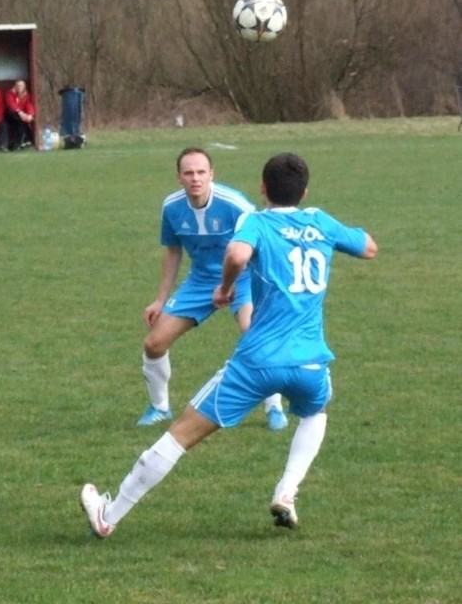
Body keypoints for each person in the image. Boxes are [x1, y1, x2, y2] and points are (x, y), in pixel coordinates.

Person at [80, 152, 378, 537]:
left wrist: (223, 288)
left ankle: (110, 515)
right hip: (310, 364)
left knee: (182, 433)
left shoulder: (256, 221)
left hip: (256, 363)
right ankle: (286, 492)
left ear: (262, 189)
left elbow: (237, 253)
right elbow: (369, 247)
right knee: (315, 414)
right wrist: (328, 230)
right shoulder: (319, 221)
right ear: (304, 191)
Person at [136, 148, 287, 431]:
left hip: (243, 278)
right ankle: (159, 407)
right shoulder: (171, 207)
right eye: (189, 173)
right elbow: (172, 252)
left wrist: (266, 287)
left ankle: (274, 406)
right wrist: (160, 300)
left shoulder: (235, 205)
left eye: (201, 172)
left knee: (255, 334)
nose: (195, 178)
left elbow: (262, 243)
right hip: (201, 282)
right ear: (179, 177)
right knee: (153, 343)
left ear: (211, 174)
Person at [5, 79, 35, 150]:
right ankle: (23, 142)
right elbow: (11, 104)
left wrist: (30, 115)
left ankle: (19, 144)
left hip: (21, 119)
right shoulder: (10, 93)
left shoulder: (27, 95)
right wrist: (21, 113)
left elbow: (29, 105)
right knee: (13, 114)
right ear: (15, 86)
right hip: (10, 116)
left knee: (21, 125)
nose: (19, 87)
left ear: (24, 87)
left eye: (21, 86)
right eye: (17, 86)